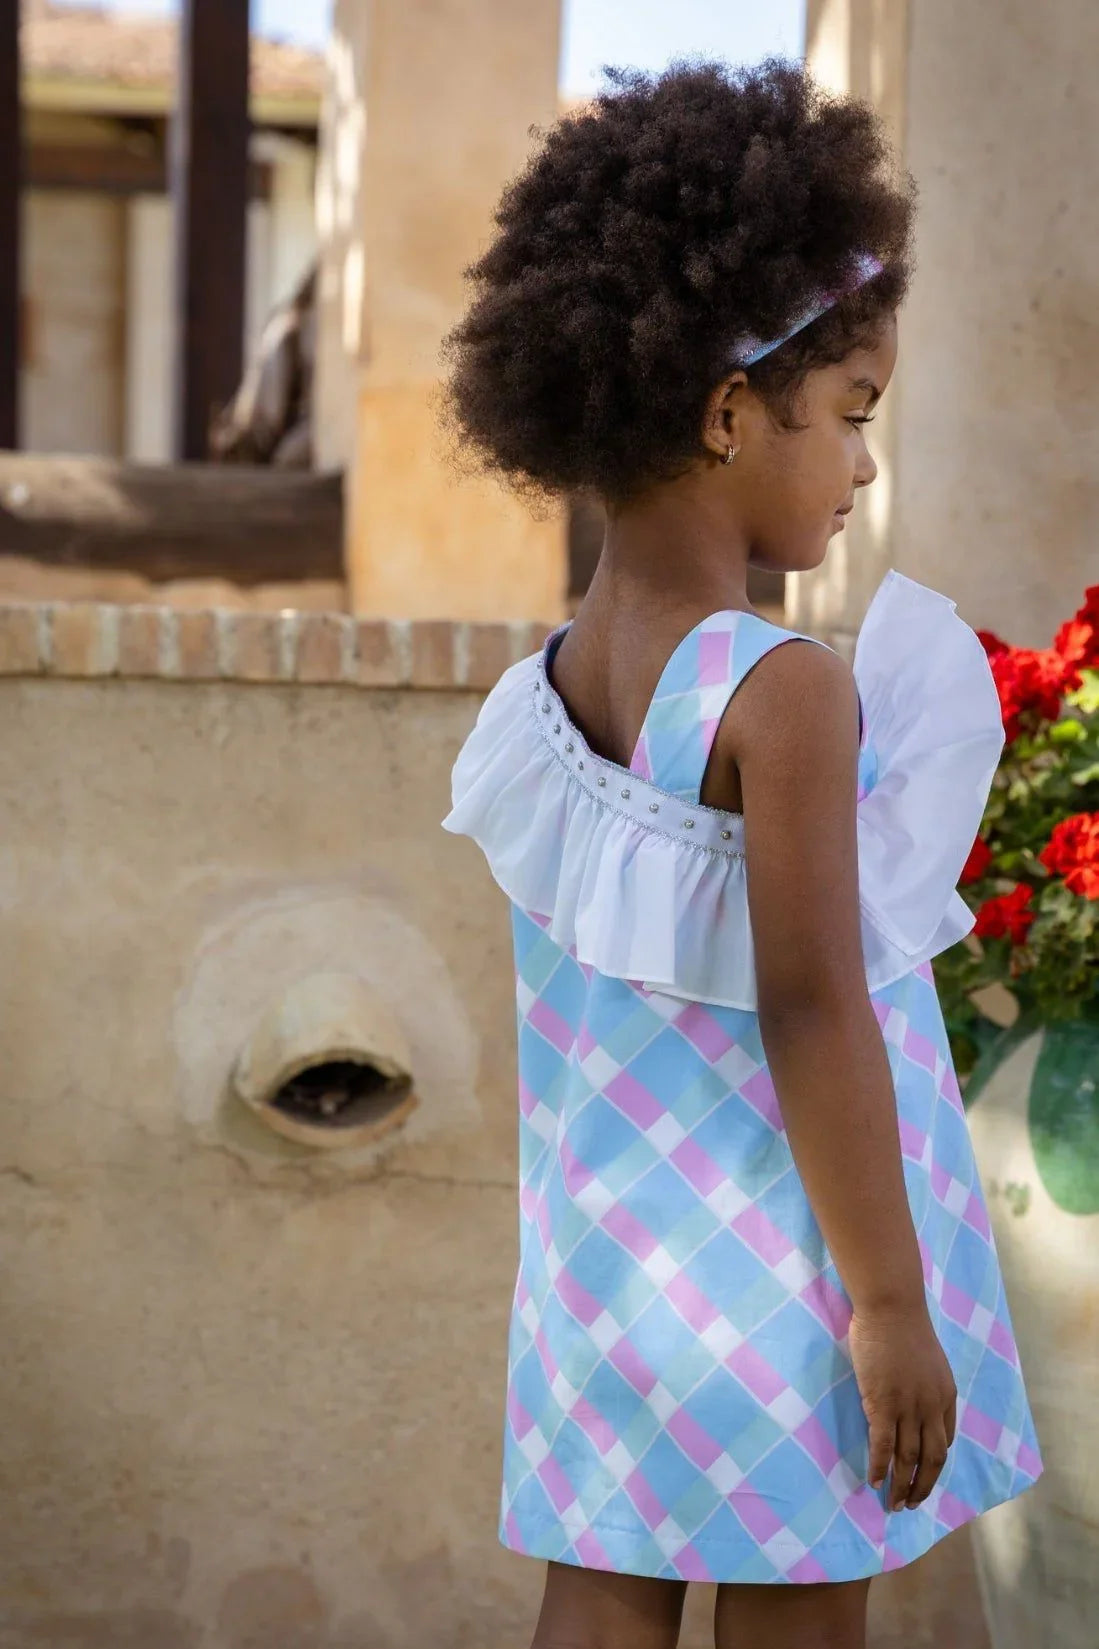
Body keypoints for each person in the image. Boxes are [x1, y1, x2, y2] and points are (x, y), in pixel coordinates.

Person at [440, 57, 1042, 1649]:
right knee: (794, 1603)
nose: (860, 465)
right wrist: (890, 1302)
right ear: (722, 410)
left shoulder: (548, 692)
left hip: (608, 1274)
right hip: (788, 1274)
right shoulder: (784, 691)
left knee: (604, 1588)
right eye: (847, 415)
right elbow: (816, 1003)